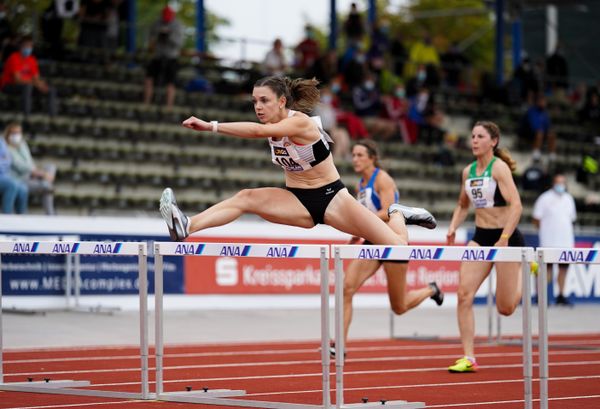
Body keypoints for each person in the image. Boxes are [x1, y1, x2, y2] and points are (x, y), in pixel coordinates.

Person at [159, 76, 437, 255]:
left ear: (282, 102)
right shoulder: (272, 125)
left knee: (398, 247)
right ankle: (188, 225)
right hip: (297, 200)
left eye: (264, 100)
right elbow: (260, 130)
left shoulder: (299, 122)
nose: (258, 106)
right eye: (255, 101)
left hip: (332, 198)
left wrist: (211, 126)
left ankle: (398, 213)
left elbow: (256, 132)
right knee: (245, 197)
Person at [341, 140, 443, 354]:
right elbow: (367, 218)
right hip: (372, 240)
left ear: (372, 158)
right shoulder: (361, 185)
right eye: (353, 155)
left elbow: (389, 211)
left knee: (399, 307)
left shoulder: (383, 179)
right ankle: (339, 344)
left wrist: (362, 220)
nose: (355, 159)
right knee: (346, 288)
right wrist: (357, 232)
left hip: (392, 240)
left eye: (360, 155)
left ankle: (431, 289)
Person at [446, 121, 524, 373]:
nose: (474, 140)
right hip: (481, 236)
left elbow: (517, 206)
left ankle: (526, 270)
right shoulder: (467, 172)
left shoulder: (499, 169)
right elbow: (463, 204)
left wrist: (505, 237)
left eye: (480, 136)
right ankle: (469, 357)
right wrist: (453, 227)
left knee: (506, 308)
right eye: (472, 136)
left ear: (494, 141)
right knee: (463, 294)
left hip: (506, 238)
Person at [532, 173, 577, 306]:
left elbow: (571, 218)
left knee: (563, 270)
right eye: (558, 182)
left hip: (566, 242)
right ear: (553, 183)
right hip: (549, 242)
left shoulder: (569, 199)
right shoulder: (544, 198)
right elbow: (536, 219)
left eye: (563, 183)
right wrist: (546, 231)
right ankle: (541, 296)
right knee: (546, 270)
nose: (561, 185)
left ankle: (561, 295)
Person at [4, 122, 56, 215]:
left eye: (18, 133)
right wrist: (40, 174)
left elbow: (30, 161)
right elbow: (19, 166)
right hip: (20, 179)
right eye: (14, 133)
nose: (16, 136)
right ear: (8, 135)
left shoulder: (23, 145)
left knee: (50, 167)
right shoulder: (6, 148)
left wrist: (37, 172)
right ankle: (46, 187)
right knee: (46, 186)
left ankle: (46, 185)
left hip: (31, 175)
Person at [0, 35, 58, 116]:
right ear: (21, 46)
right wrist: (35, 83)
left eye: (31, 46)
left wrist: (41, 84)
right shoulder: (14, 58)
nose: (29, 48)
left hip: (28, 84)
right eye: (27, 45)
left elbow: (36, 77)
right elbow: (17, 79)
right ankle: (27, 114)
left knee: (50, 89)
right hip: (9, 85)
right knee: (28, 86)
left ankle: (52, 115)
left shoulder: (32, 59)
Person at [143, 5, 184, 108]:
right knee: (149, 78)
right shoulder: (156, 23)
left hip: (171, 57)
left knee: (171, 82)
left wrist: (169, 36)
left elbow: (179, 43)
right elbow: (150, 40)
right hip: (157, 56)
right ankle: (146, 102)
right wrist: (158, 35)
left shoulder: (177, 25)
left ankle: (169, 106)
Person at [0, 128, 27, 214]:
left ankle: (22, 219)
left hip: (3, 175)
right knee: (11, 185)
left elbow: (7, 160)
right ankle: (7, 216)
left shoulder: (1, 141)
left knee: (23, 189)